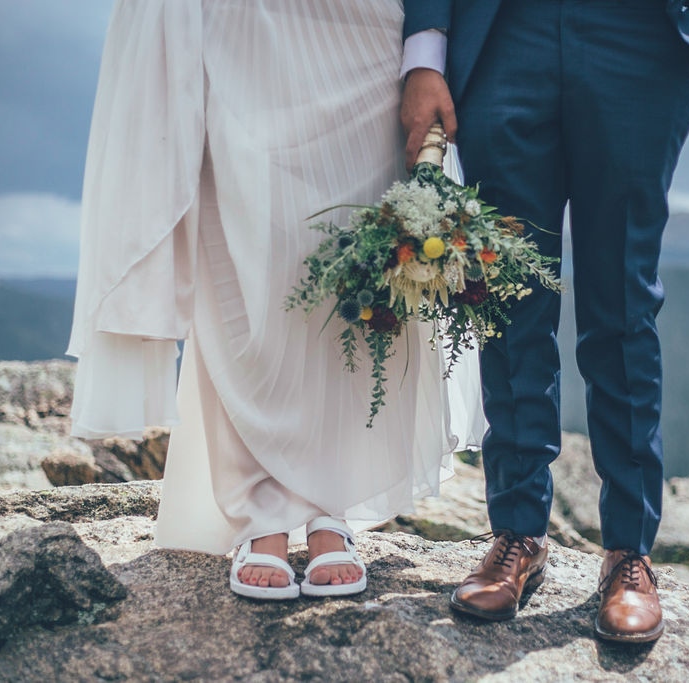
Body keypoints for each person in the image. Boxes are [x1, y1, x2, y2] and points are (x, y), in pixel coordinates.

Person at [67, 0, 482, 601]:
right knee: (244, 243)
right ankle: (261, 507)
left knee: (351, 246)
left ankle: (327, 503)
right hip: (241, 17)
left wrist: (425, 53)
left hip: (361, 26)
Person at [400, 0, 689, 639]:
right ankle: (518, 534)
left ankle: (628, 554)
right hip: (507, 32)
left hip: (643, 36)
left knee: (623, 300)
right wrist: (424, 50)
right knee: (512, 291)